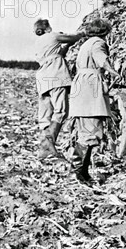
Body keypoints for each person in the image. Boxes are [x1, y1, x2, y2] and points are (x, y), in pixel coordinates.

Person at [68, 18, 120, 183]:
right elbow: (102, 60)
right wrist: (114, 73)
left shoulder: (86, 43)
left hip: (82, 85)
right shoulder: (98, 43)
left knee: (87, 131)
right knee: (92, 132)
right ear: (104, 32)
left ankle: (81, 171)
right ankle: (79, 172)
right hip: (90, 87)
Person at [34, 19, 85, 159]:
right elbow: (73, 37)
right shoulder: (53, 35)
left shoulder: (38, 42)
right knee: (61, 111)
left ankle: (44, 148)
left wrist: (67, 46)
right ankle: (49, 145)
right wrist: (82, 33)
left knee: (45, 114)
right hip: (55, 75)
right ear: (47, 28)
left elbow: (57, 54)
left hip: (42, 78)